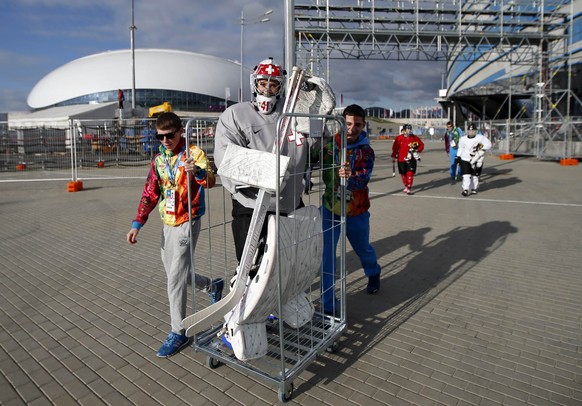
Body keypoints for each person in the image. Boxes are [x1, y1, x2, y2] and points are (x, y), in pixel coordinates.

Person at [126, 112, 223, 358]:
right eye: (161, 137)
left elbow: (211, 180)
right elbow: (150, 193)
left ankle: (178, 331)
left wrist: (197, 173)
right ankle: (213, 286)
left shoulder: (194, 153)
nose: (166, 140)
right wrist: (138, 223)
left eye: (170, 135)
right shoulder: (159, 160)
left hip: (187, 221)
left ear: (180, 131)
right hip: (167, 222)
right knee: (175, 274)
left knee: (174, 280)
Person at [213, 57, 308, 271]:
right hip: (250, 204)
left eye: (273, 84)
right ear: (254, 83)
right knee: (251, 266)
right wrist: (265, 173)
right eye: (263, 83)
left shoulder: (295, 114)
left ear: (281, 87)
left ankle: (285, 299)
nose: (267, 89)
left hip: (289, 203)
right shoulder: (236, 114)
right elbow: (226, 156)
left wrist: (319, 111)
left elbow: (320, 142)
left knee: (288, 265)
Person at [320, 104, 382, 316]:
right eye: (347, 123)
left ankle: (373, 272)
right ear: (340, 123)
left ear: (364, 125)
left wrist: (350, 176)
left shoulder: (366, 151)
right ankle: (329, 306)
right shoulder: (330, 146)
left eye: (357, 124)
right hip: (330, 210)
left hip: (356, 212)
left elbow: (362, 180)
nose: (352, 128)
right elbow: (316, 167)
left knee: (363, 250)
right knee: (326, 257)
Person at [456, 122, 492, 196]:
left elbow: (488, 144)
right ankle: (465, 189)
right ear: (467, 131)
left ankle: (474, 188)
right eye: (470, 130)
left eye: (473, 131)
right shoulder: (463, 139)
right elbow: (461, 148)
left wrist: (481, 150)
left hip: (477, 159)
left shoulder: (480, 137)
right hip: (465, 158)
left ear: (476, 131)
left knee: (475, 175)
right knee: (466, 175)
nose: (471, 132)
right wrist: (458, 156)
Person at [391, 124, 425, 195]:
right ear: (404, 130)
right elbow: (395, 148)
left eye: (410, 129)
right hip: (401, 159)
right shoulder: (399, 138)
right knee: (403, 174)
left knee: (410, 173)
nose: (409, 130)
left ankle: (409, 187)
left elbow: (421, 145)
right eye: (407, 129)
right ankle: (406, 186)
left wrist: (417, 150)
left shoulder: (414, 137)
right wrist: (393, 156)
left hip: (411, 159)